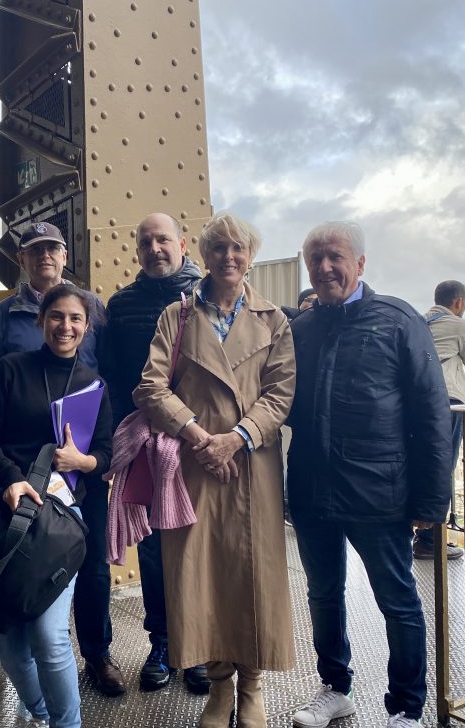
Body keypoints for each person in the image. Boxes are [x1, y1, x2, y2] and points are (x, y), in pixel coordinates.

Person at [133, 212, 296, 728]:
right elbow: (151, 387)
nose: (229, 256)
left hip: (253, 467)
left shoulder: (274, 320)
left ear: (250, 255)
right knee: (202, 575)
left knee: (252, 575)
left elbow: (281, 393)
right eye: (219, 247)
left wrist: (236, 438)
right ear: (202, 255)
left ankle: (252, 688)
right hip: (195, 465)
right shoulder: (176, 317)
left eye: (238, 248)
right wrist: (201, 438)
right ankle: (219, 687)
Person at [286, 221, 451, 728]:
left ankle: (406, 708)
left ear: (360, 264)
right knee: (323, 594)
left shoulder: (398, 321)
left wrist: (431, 500)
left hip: (380, 493)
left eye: (335, 257)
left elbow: (432, 413)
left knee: (397, 600)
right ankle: (336, 687)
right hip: (313, 490)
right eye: (315, 259)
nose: (325, 267)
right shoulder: (301, 329)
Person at [0, 222, 123, 696]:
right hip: (25, 475)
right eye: (56, 318)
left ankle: (98, 654)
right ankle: (19, 643)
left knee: (94, 567)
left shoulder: (93, 364)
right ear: (41, 321)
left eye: (75, 320)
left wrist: (85, 461)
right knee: (26, 560)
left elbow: (105, 426)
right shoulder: (7, 336)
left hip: (79, 480)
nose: (66, 326)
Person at [100, 212, 210, 694]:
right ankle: (162, 642)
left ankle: (200, 645)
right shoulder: (121, 306)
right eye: (145, 241)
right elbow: (109, 376)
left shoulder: (208, 297)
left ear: (182, 243)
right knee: (152, 549)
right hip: (146, 442)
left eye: (162, 239)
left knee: (197, 545)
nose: (154, 248)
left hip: (199, 439)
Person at [413, 280, 465, 561]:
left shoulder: (420, 322)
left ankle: (421, 533)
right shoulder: (459, 326)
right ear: (459, 302)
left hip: (418, 403)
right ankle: (430, 540)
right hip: (448, 404)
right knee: (443, 465)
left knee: (424, 463)